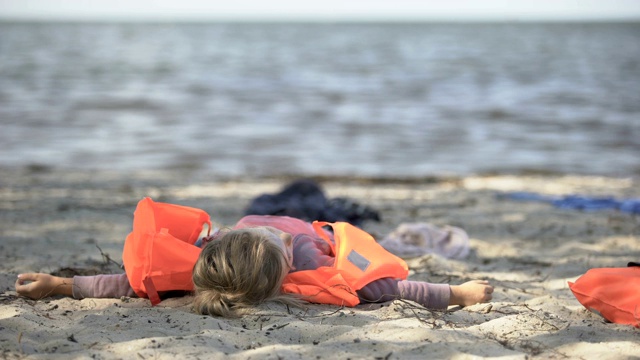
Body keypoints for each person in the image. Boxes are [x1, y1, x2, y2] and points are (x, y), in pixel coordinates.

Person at [16, 212, 493, 318]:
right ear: (288, 269)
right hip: (325, 238)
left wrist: (61, 284)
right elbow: (390, 290)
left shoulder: (212, 254)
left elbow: (126, 285)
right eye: (280, 242)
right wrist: (458, 293)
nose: (282, 232)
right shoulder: (305, 257)